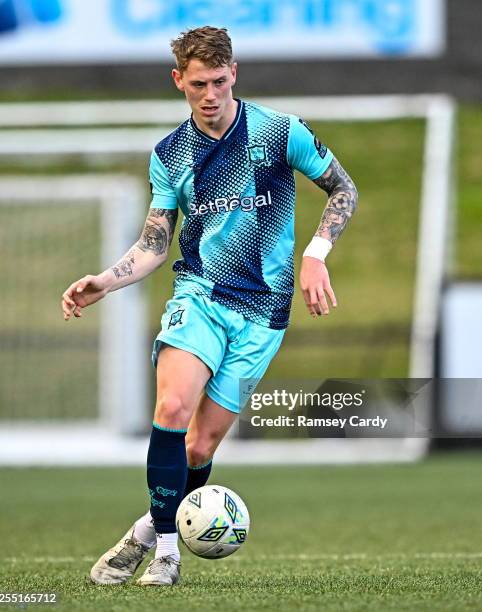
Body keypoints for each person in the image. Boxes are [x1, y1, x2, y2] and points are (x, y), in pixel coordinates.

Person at [61, 26, 358, 587]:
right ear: (179, 81)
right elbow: (155, 242)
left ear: (234, 74)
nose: (211, 94)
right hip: (198, 296)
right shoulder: (170, 155)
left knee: (200, 444)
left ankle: (146, 530)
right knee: (172, 407)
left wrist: (317, 254)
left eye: (220, 81)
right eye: (198, 83)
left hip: (264, 313)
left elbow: (344, 188)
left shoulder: (278, 132)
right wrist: (105, 280)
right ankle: (168, 555)